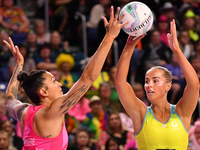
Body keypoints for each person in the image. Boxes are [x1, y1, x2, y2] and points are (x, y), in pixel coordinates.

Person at [3, 6, 127, 150]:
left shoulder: (25, 112)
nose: (60, 84)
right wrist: (110, 37)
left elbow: (10, 100)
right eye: (54, 81)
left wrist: (19, 66)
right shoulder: (52, 111)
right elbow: (87, 78)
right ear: (43, 92)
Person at [114, 19, 199, 149]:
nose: (149, 85)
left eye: (155, 81)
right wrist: (129, 47)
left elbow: (194, 85)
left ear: (168, 86)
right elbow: (120, 83)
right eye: (147, 81)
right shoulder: (141, 113)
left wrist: (177, 50)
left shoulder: (181, 112)